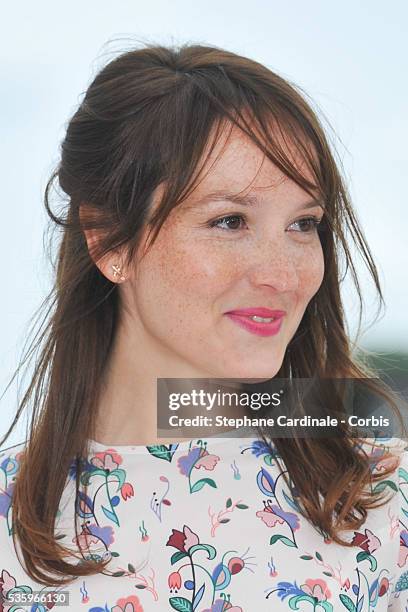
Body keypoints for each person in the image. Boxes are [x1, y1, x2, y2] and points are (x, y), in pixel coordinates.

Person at [0, 42, 407, 611]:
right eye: (229, 220)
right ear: (107, 240)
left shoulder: (382, 500)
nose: (281, 276)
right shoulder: (11, 526)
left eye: (303, 223)